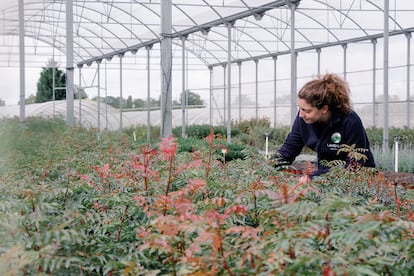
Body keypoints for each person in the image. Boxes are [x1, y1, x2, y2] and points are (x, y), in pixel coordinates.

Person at [273, 73, 375, 181]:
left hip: (359, 180)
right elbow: (288, 150)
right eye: (300, 108)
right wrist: (266, 168)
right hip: (325, 176)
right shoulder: (303, 120)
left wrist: (314, 178)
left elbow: (354, 165)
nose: (301, 114)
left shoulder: (350, 121)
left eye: (307, 110)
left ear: (324, 109)